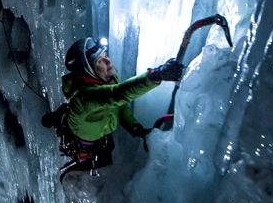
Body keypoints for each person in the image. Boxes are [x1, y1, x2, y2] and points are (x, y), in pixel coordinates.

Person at [44, 36, 183, 178]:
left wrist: (136, 128)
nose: (108, 61)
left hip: (103, 139)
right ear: (88, 71)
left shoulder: (108, 79)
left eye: (105, 55)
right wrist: (156, 75)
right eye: (100, 61)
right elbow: (117, 95)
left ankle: (57, 116)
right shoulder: (85, 98)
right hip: (88, 149)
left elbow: (120, 106)